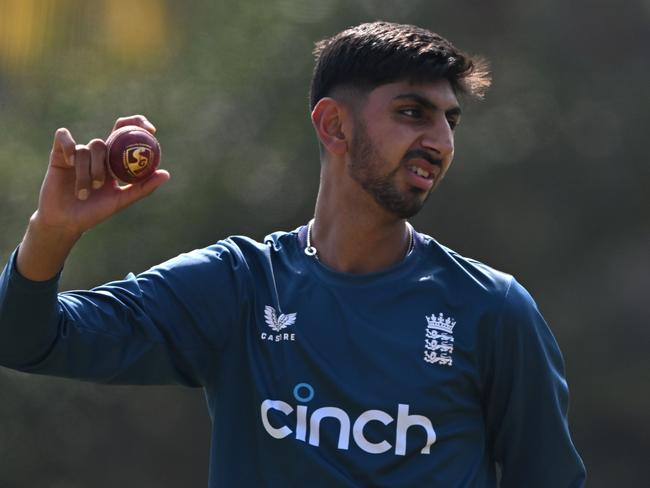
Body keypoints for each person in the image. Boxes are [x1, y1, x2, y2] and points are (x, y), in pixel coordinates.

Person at [0, 21, 585, 487]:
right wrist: (53, 231)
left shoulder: (494, 309)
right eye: (413, 113)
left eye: (450, 121)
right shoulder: (237, 286)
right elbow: (26, 340)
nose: (440, 141)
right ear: (333, 126)